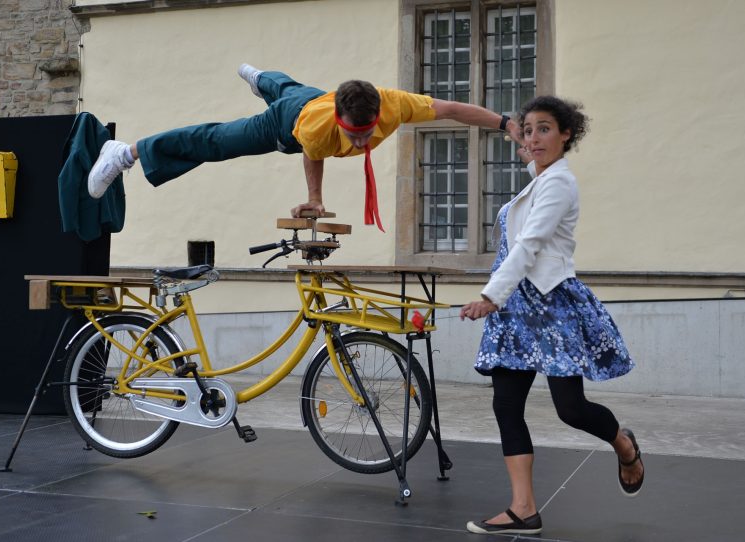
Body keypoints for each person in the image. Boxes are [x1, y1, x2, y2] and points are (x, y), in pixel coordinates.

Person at [459, 96, 644, 536]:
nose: (534, 137)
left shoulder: (560, 184)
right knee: (506, 405)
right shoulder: (539, 179)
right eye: (529, 131)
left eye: (545, 129)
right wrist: (519, 137)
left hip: (549, 306)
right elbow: (529, 179)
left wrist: (490, 295)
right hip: (515, 310)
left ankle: (623, 444)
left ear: (567, 134)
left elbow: (530, 244)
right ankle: (524, 508)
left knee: (571, 409)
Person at [87, 65, 532, 229]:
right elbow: (312, 157)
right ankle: (126, 153)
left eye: (366, 133)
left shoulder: (395, 104)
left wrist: (504, 122)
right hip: (285, 126)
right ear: (341, 118)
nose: (361, 142)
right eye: (354, 135)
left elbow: (453, 108)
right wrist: (316, 199)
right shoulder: (320, 129)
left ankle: (261, 77)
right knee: (217, 141)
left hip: (314, 95)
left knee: (288, 86)